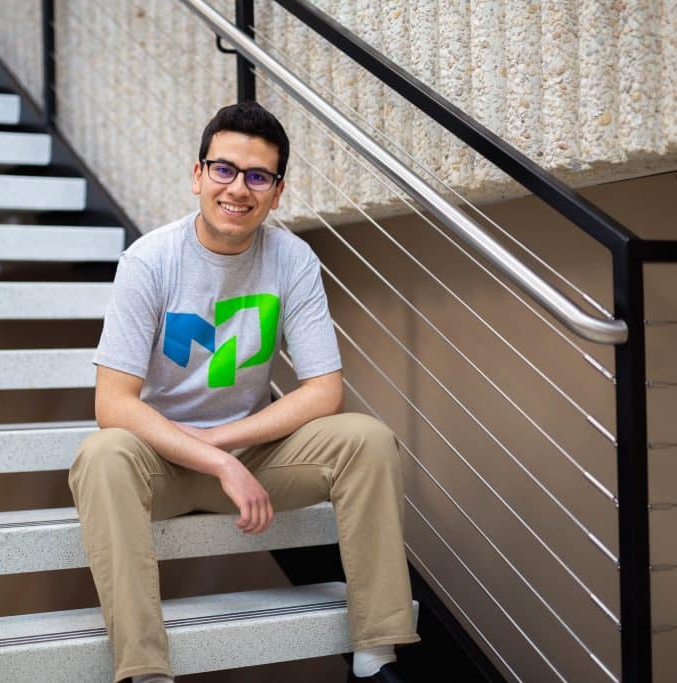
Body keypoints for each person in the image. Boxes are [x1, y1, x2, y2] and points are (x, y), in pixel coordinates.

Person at [69, 101, 418, 683]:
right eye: (224, 170)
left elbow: (323, 391)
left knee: (365, 439)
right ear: (198, 175)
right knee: (101, 456)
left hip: (253, 457)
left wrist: (227, 446)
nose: (239, 189)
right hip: (161, 463)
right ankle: (144, 670)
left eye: (258, 176)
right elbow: (113, 404)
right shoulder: (150, 261)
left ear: (277, 192)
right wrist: (211, 459)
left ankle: (376, 654)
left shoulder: (292, 259)